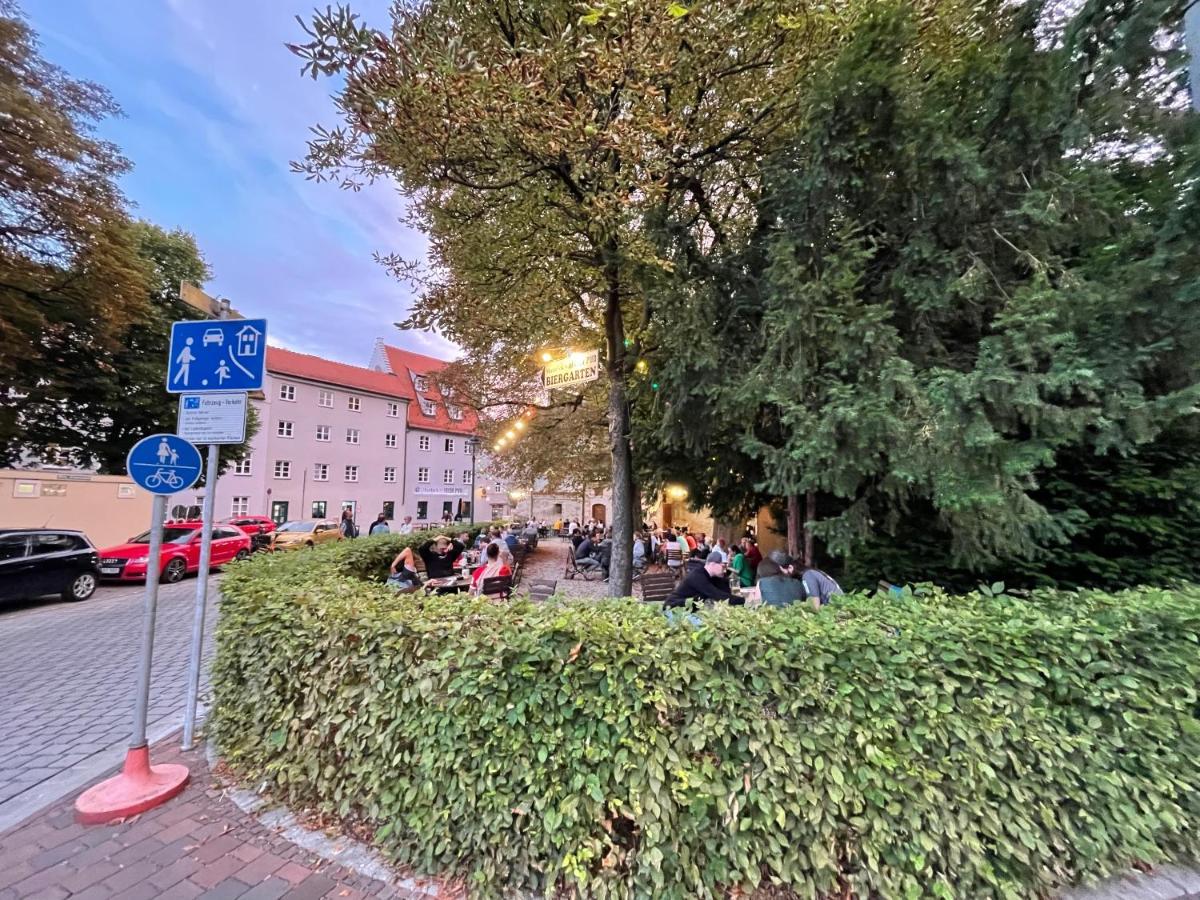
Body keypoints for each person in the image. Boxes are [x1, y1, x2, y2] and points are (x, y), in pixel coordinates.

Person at [665, 551, 735, 609]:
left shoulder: (713, 577)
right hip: (673, 608)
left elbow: (726, 593)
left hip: (690, 609)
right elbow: (718, 595)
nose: (725, 570)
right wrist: (744, 601)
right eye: (723, 566)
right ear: (713, 564)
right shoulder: (698, 575)